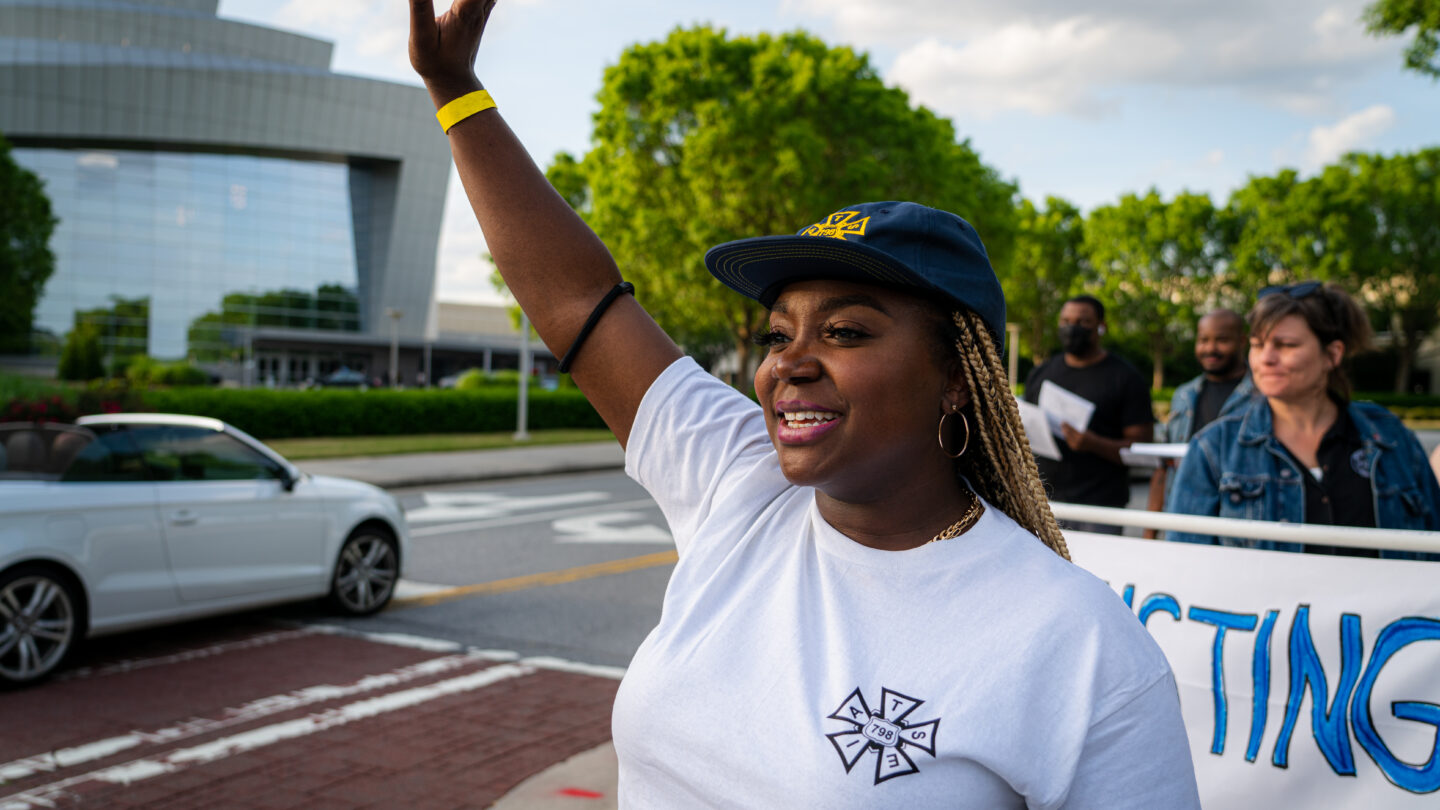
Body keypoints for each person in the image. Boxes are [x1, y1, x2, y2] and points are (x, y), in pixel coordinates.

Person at [407, 2, 1200, 805]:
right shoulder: (737, 481)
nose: (789, 363)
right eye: (778, 333)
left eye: (846, 331)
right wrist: (455, 89)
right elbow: (581, 302)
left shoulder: (1081, 643)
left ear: (959, 377)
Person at [1167, 282, 1440, 557]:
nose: (1266, 358)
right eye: (1257, 345)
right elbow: (1185, 562)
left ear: (1332, 354)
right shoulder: (1214, 447)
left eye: (1286, 345)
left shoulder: (1390, 436)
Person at [1023, 296, 1153, 533]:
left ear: (1101, 327)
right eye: (1065, 321)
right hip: (1043, 501)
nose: (1072, 328)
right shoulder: (1042, 373)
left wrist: (1093, 443)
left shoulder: (1126, 378)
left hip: (1099, 508)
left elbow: (1141, 450)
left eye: (1083, 322)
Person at [1146, 309, 1254, 518]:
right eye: (1203, 340)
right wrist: (1150, 530)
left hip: (1239, 518)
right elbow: (1163, 468)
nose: (1210, 348)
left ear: (1242, 341)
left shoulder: (1261, 395)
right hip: (1184, 515)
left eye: (1222, 340)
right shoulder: (1183, 395)